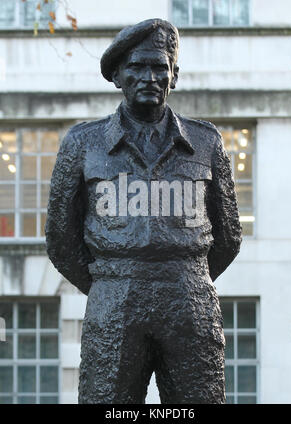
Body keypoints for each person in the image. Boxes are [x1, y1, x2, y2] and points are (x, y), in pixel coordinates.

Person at [46, 18, 242, 404]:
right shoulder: (83, 144)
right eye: (137, 67)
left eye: (159, 67)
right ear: (118, 76)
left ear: (175, 76)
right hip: (114, 303)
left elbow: (229, 235)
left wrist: (182, 273)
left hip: (189, 302)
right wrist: (110, 281)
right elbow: (60, 238)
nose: (149, 77)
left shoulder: (206, 142)